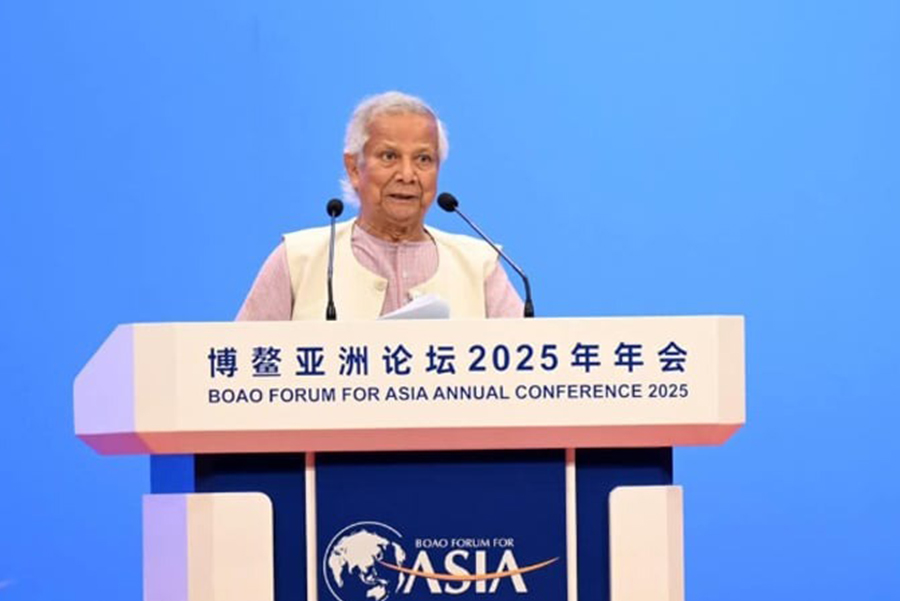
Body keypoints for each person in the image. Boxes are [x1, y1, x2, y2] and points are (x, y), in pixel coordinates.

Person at [236, 91, 523, 321]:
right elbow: (240, 371)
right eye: (389, 156)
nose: (408, 175)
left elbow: (531, 367)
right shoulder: (299, 261)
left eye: (424, 159)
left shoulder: (478, 265)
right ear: (354, 169)